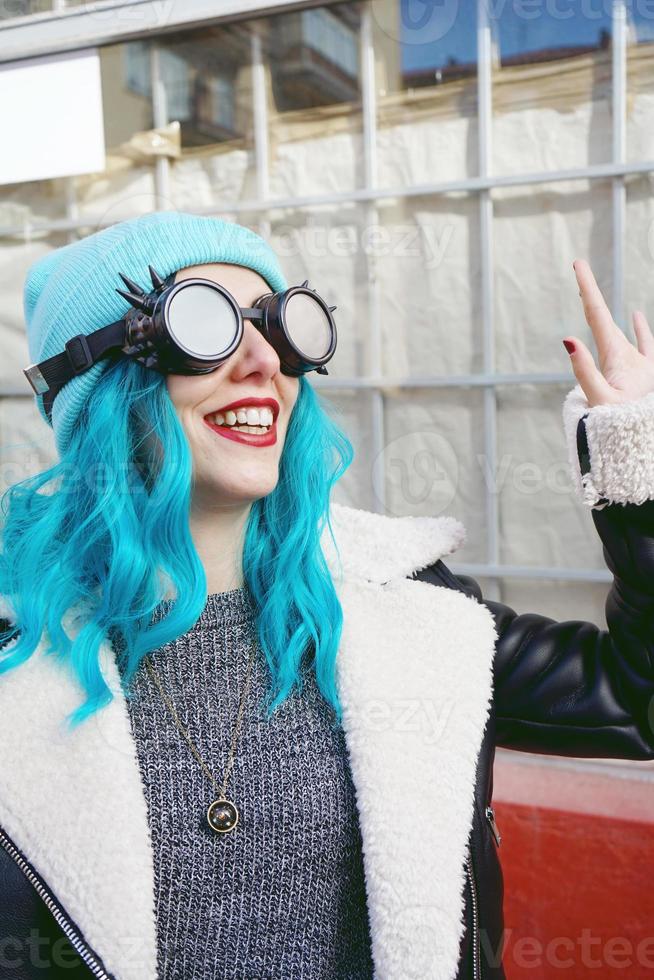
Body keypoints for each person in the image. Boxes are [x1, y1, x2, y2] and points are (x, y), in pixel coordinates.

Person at [0, 210, 651, 980]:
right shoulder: (19, 665)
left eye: (278, 331)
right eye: (202, 323)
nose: (260, 364)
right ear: (100, 386)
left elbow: (636, 700)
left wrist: (636, 470)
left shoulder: (405, 613)